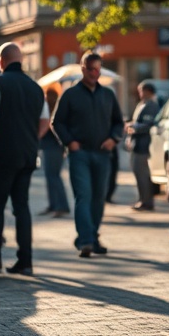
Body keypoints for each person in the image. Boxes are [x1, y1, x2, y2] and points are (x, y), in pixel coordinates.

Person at [0, 42, 49, 277]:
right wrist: (31, 139)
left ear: (1, 61)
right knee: (21, 207)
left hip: (3, 154)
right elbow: (45, 121)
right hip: (27, 154)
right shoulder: (36, 88)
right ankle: (25, 261)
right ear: (20, 60)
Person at [51, 50, 124, 258]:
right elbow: (57, 122)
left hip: (102, 154)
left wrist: (114, 138)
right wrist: (69, 142)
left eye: (98, 69)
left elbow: (118, 122)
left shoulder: (108, 94)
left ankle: (92, 236)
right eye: (91, 69)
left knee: (98, 198)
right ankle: (86, 241)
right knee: (83, 196)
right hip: (79, 153)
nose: (95, 73)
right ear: (83, 69)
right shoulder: (71, 94)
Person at [125, 80, 159, 211]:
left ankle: (146, 201)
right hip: (137, 143)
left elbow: (148, 124)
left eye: (141, 90)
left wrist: (133, 127)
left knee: (142, 173)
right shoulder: (142, 104)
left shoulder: (151, 105)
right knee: (138, 173)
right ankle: (142, 199)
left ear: (148, 91)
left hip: (143, 144)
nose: (140, 93)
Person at [39, 84, 70, 218]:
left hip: (53, 146)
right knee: (51, 176)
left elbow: (48, 126)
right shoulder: (53, 108)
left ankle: (61, 206)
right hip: (53, 146)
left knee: (53, 176)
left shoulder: (50, 109)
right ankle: (54, 205)